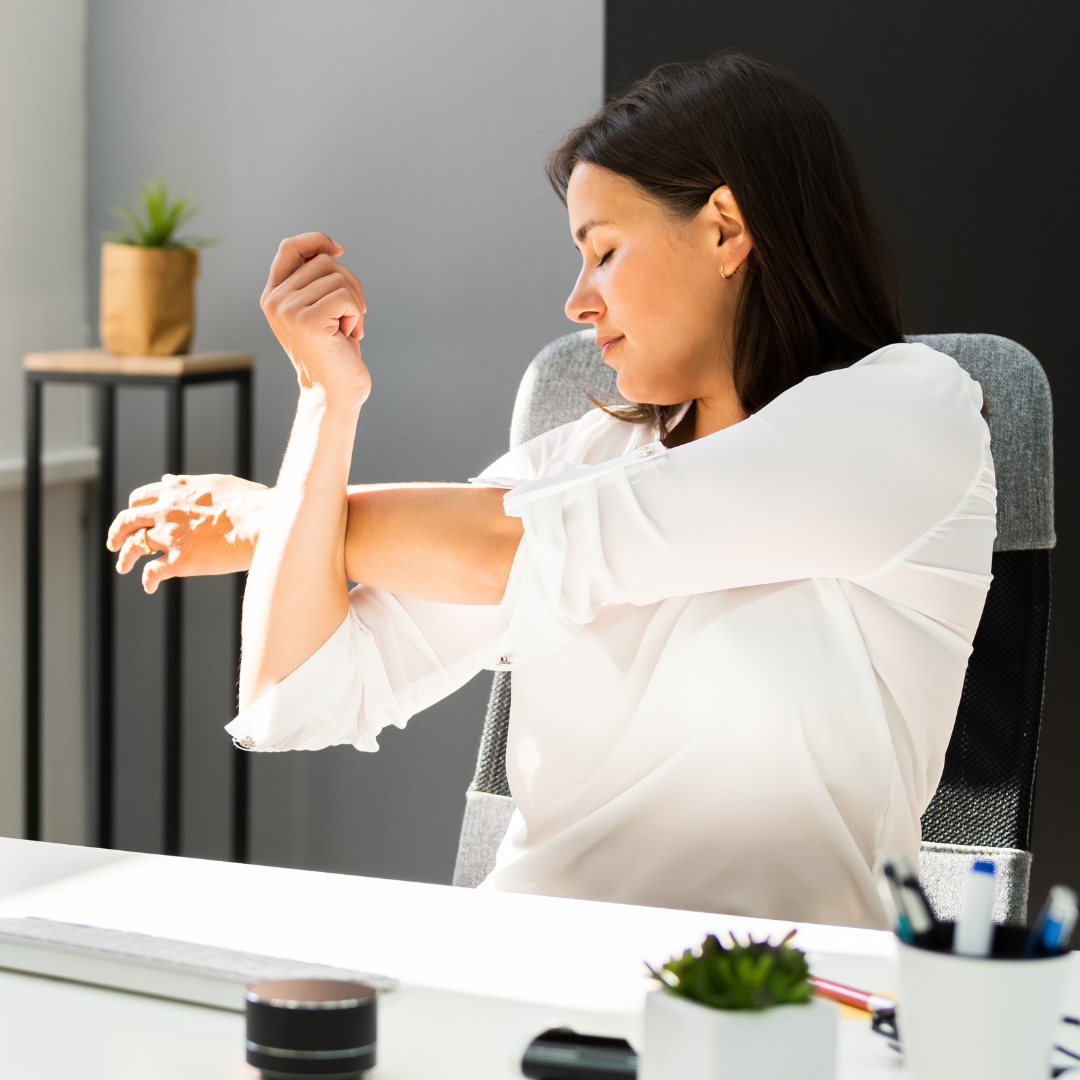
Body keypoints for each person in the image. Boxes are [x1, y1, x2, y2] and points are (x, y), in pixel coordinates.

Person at [107, 52, 994, 928]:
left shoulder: (909, 412)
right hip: (527, 977)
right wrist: (323, 404)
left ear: (726, 229)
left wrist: (268, 517)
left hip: (775, 1001)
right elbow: (297, 691)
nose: (577, 301)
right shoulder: (573, 459)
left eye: (604, 252)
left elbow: (512, 547)